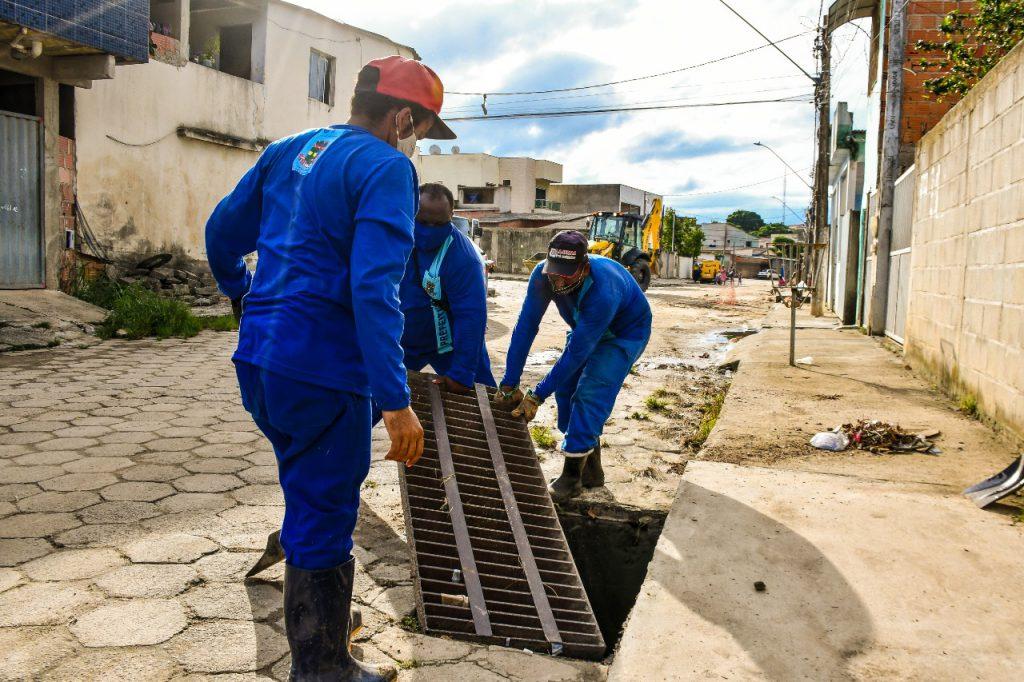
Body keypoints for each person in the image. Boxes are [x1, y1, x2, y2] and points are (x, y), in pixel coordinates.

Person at [205, 55, 456, 682]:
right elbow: (375, 292)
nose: (418, 138)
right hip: (323, 372)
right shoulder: (387, 167)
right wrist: (395, 402)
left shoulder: (290, 147)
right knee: (326, 508)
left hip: (260, 363)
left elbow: (220, 231)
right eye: (422, 126)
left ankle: (328, 625)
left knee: (306, 485)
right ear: (401, 116)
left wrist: (242, 295)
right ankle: (321, 669)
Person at [495, 231, 652, 501]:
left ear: (585, 266)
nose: (557, 281)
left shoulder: (604, 287)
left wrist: (537, 394)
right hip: (586, 328)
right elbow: (526, 326)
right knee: (566, 392)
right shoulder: (543, 276)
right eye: (554, 272)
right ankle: (591, 470)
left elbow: (579, 351)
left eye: (566, 274)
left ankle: (571, 479)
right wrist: (510, 383)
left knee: (590, 393)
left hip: (623, 334)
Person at [398, 183, 495, 392]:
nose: (429, 231)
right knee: (370, 400)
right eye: (423, 222)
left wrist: (461, 373)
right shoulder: (395, 239)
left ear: (452, 216)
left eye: (439, 224)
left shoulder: (465, 258)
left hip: (449, 342)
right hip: (404, 341)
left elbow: (471, 317)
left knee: (481, 401)